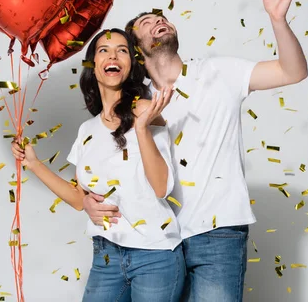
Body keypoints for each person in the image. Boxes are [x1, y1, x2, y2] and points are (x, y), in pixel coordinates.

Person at [82, 0, 308, 301]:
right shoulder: (132, 100)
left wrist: (278, 20)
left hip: (216, 236)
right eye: (147, 22)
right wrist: (85, 199)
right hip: (152, 242)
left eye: (162, 18)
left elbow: (293, 72)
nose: (159, 21)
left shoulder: (220, 72)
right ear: (137, 49)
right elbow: (104, 158)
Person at [11, 28, 186, 301]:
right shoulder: (87, 130)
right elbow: (80, 199)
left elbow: (162, 187)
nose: (112, 55)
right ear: (93, 66)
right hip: (106, 255)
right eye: (103, 50)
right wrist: (33, 164)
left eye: (122, 50)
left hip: (154, 255)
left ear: (130, 64)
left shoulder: (144, 110)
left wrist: (140, 129)